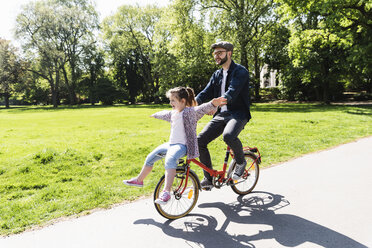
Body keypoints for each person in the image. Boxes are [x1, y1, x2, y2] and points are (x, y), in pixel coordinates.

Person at [123, 86, 226, 205]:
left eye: (173, 100)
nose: (170, 103)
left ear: (182, 101)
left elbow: (201, 109)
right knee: (151, 157)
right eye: (170, 100)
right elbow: (164, 114)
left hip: (184, 146)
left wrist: (213, 103)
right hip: (172, 145)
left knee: (170, 160)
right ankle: (139, 180)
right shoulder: (173, 113)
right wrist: (155, 114)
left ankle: (166, 192)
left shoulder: (190, 113)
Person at [196, 41, 251, 189]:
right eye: (215, 53)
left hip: (238, 114)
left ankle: (241, 162)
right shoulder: (217, 74)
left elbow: (232, 92)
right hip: (222, 114)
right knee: (199, 140)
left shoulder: (240, 71)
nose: (216, 56)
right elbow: (205, 92)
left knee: (228, 136)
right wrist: (191, 104)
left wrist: (214, 104)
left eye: (220, 53)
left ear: (229, 53)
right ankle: (208, 178)